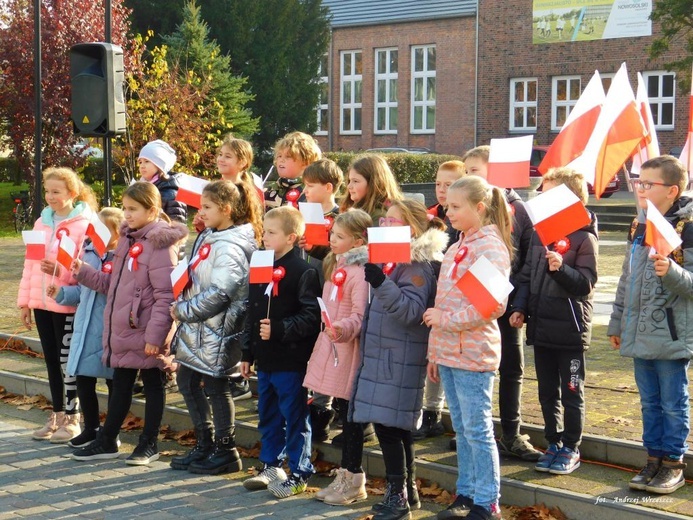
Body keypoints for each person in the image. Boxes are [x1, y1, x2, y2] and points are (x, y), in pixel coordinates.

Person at [71, 182, 188, 465]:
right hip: (126, 328)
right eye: (125, 208)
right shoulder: (127, 237)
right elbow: (114, 285)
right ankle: (107, 440)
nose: (127, 215)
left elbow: (165, 296)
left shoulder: (161, 243)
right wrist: (84, 272)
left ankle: (149, 443)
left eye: (133, 209)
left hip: (148, 329)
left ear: (152, 209)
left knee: (152, 383)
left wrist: (157, 336)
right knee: (121, 382)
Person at [351, 199, 447, 520]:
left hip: (399, 358)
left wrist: (380, 282)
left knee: (390, 429)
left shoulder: (416, 266)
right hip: (386, 356)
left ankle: (398, 496)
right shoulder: (394, 262)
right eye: (385, 220)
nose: (385, 226)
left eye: (393, 222)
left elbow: (409, 312)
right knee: (395, 426)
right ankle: (407, 488)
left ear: (412, 229)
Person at [424, 176, 513, 520]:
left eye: (456, 206)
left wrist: (443, 322)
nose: (449, 211)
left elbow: (490, 307)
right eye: (448, 205)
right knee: (461, 429)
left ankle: (487, 501)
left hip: (474, 354)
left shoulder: (488, 247)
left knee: (477, 430)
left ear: (479, 208)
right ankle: (466, 492)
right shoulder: (458, 244)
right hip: (449, 351)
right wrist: (435, 350)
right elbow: (442, 300)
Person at [608, 155, 693, 495]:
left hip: (671, 333)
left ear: (672, 190)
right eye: (638, 182)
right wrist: (616, 322)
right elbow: (626, 280)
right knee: (648, 401)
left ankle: (673, 463)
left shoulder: (687, 227)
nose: (640, 189)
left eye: (648, 184)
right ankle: (653, 458)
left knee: (673, 401)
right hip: (639, 331)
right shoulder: (639, 223)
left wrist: (671, 272)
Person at [509, 168, 598, 476]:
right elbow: (525, 278)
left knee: (571, 390)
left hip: (571, 330)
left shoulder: (584, 238)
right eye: (541, 192)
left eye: (547, 193)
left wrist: (561, 269)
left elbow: (586, 284)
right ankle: (554, 442)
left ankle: (572, 446)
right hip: (541, 327)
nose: (540, 198)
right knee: (547, 391)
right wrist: (519, 307)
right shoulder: (539, 235)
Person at [170, 180, 261, 474]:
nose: (201, 212)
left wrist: (183, 311)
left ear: (226, 209)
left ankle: (226, 450)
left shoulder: (231, 245)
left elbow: (221, 293)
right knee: (186, 382)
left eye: (207, 207)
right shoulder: (213, 235)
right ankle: (205, 442)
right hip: (201, 329)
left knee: (216, 386)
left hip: (219, 329)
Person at [460, 145, 538, 460]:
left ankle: (511, 432)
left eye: (474, 171)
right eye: (465, 171)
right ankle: (475, 431)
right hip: (475, 307)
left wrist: (517, 304)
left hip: (506, 306)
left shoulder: (518, 210)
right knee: (478, 369)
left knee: (511, 369)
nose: (467, 176)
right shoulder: (468, 211)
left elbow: (525, 262)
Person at [241, 206, 321, 498]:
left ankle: (300, 470)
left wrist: (280, 329)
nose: (265, 236)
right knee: (268, 413)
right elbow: (253, 311)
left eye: (271, 232)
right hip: (266, 358)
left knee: (295, 416)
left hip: (291, 358)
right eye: (264, 230)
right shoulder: (260, 264)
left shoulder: (305, 271)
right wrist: (247, 353)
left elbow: (311, 316)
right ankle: (271, 465)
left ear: (291, 237)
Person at [18, 166, 97, 443]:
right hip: (41, 303)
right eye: (47, 191)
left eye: (56, 192)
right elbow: (30, 266)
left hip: (67, 303)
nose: (50, 197)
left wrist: (61, 271)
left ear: (72, 193)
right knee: (51, 360)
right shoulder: (41, 223)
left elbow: (88, 267)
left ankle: (74, 418)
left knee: (68, 363)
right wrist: (25, 302)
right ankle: (57, 414)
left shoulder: (86, 224)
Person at [303, 210, 371, 505]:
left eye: (339, 236)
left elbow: (360, 315)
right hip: (335, 347)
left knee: (351, 418)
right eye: (332, 234)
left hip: (349, 351)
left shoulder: (360, 274)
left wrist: (340, 328)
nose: (331, 239)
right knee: (345, 411)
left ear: (358, 240)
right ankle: (346, 474)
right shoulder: (338, 267)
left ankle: (353, 477)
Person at [47, 208, 124, 448]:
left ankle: (111, 432)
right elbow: (83, 291)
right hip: (84, 326)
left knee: (113, 381)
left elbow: (113, 287)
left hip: (109, 328)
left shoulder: (121, 256)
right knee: (83, 379)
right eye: (96, 227)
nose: (96, 232)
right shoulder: (89, 252)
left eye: (103, 228)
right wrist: (62, 293)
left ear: (116, 232)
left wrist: (86, 273)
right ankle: (91, 427)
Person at [209, 135, 266, 403]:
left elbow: (248, 224)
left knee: (236, 319)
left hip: (239, 257)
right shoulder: (219, 186)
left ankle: (238, 379)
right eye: (220, 154)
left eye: (228, 156)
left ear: (242, 162)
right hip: (219, 256)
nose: (221, 158)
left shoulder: (245, 189)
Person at [415, 160, 466, 441]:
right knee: (430, 357)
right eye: (438, 184)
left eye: (449, 185)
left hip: (454, 303)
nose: (442, 190)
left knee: (447, 360)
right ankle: (428, 413)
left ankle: (437, 413)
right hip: (429, 296)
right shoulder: (430, 216)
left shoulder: (462, 223)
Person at [340, 154, 404, 227]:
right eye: (349, 180)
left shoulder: (379, 216)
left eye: (355, 181)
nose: (349, 186)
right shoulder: (357, 210)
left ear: (373, 184)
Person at [264, 131, 322, 211]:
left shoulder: (310, 192)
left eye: (288, 157)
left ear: (305, 162)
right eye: (279, 156)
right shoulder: (268, 190)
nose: (281, 160)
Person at [138, 139, 187, 224]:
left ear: (159, 165)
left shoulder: (170, 191)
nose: (142, 166)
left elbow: (176, 222)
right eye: (140, 162)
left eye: (147, 161)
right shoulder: (140, 187)